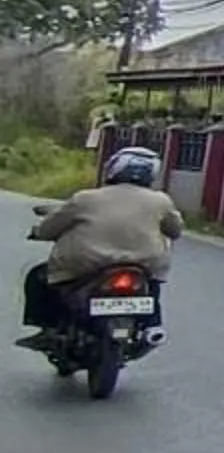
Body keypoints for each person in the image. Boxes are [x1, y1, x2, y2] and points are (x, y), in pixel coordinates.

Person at [18, 146, 181, 349]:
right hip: (144, 265)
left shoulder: (86, 198)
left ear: (114, 168)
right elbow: (175, 231)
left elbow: (49, 228)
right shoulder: (161, 201)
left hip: (89, 264)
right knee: (152, 287)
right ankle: (152, 326)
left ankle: (47, 329)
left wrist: (39, 232)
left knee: (39, 278)